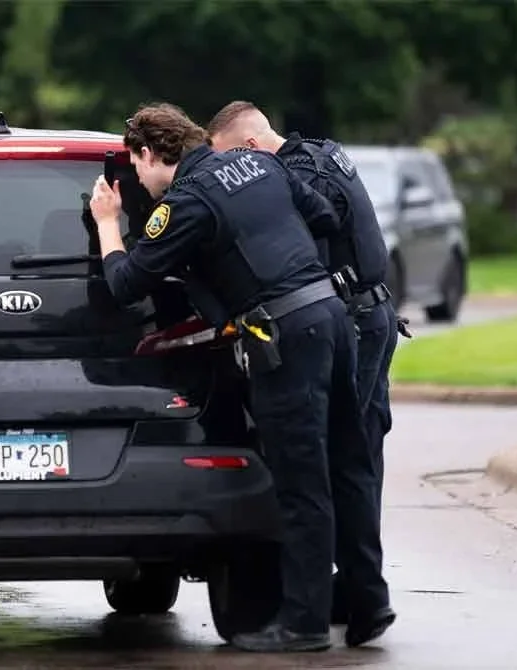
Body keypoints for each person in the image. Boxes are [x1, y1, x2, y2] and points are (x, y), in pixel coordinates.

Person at [89, 101, 357, 653]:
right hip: (330, 319)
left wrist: (108, 224)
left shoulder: (184, 204)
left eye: (135, 167)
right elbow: (326, 218)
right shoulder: (258, 164)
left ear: (146, 153)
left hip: (284, 335)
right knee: (343, 466)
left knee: (301, 486)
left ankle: (304, 626)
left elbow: (124, 283)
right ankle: (366, 598)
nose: (137, 179)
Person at [206, 100, 398, 646]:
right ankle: (362, 597)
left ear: (247, 149)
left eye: (227, 161)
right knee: (357, 459)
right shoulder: (324, 153)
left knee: (332, 465)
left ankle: (337, 603)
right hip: (373, 314)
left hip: (348, 322)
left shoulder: (293, 176)